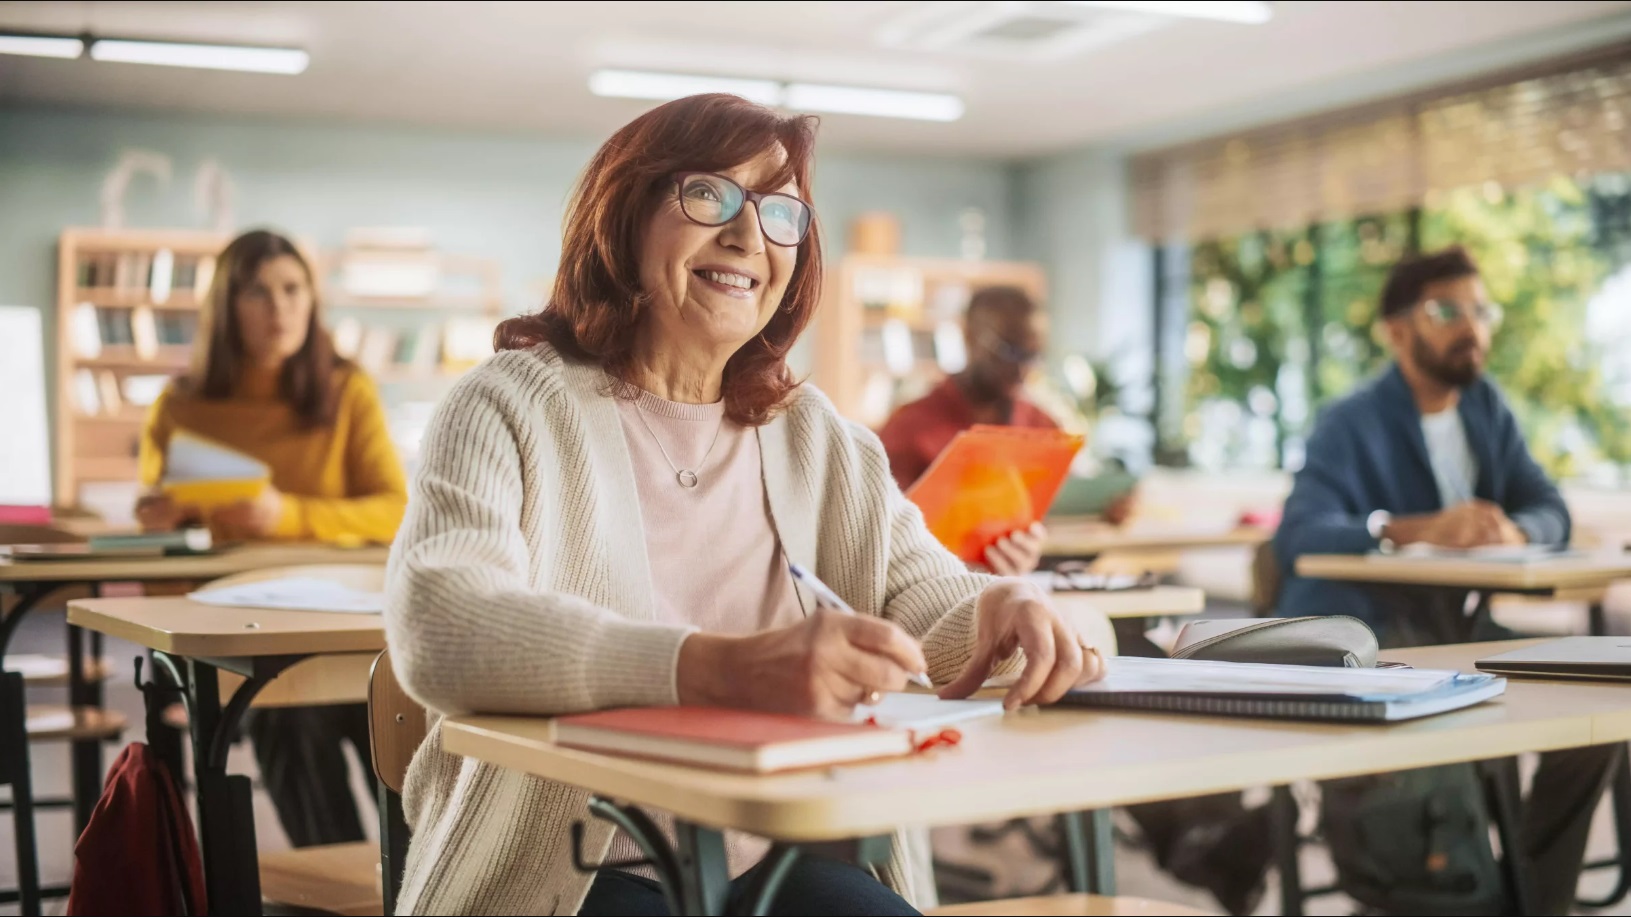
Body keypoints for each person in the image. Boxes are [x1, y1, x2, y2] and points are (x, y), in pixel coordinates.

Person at [382, 94, 1108, 917]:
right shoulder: (505, 404)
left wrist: (1010, 604)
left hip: (766, 860)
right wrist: (716, 669)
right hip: (569, 866)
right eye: (708, 195)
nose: (746, 234)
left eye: (779, 211)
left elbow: (932, 617)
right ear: (621, 218)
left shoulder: (819, 437)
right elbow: (439, 626)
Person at [1274, 245, 1620, 915]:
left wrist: (1515, 531)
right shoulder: (1351, 420)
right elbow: (1299, 533)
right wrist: (1415, 527)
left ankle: (1532, 899)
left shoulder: (1484, 408)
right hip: (1366, 627)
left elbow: (1549, 507)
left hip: (1452, 626)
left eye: (1479, 309)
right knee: (1452, 721)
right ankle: (1470, 892)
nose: (1471, 326)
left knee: (1598, 705)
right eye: (1446, 310)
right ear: (1397, 330)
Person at [135, 229, 409, 848]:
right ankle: (336, 889)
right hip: (249, 629)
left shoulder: (346, 390)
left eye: (293, 289)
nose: (279, 307)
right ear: (226, 307)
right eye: (257, 293)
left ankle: (418, 884)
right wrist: (163, 521)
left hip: (351, 623)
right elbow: (164, 549)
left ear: (312, 300)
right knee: (285, 719)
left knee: (397, 713)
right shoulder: (179, 407)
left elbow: (397, 511)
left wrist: (284, 513)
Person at [877, 286, 1134, 577]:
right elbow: (882, 541)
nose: (1023, 369)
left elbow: (1059, 530)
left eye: (1034, 355)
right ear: (970, 337)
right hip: (934, 589)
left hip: (1029, 585)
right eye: (1011, 351)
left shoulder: (1042, 425)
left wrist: (1102, 513)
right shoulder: (909, 427)